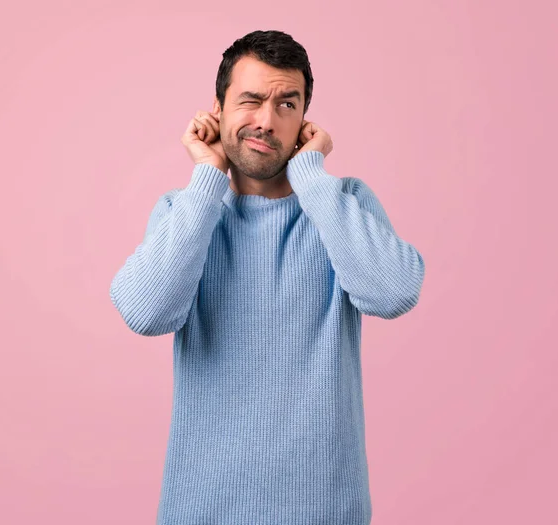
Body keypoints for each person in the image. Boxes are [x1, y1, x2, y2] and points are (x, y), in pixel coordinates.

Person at [110, 29, 426, 525]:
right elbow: (146, 312)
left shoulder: (341, 203)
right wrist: (206, 179)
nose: (266, 120)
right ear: (217, 108)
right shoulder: (185, 212)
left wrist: (312, 179)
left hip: (327, 512)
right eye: (251, 100)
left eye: (286, 105)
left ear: (304, 121)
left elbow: (394, 293)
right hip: (201, 511)